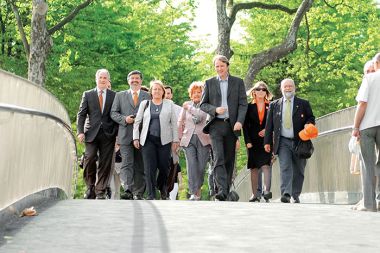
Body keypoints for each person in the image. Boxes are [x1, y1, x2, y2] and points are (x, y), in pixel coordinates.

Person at [200, 55, 248, 201]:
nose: (219, 69)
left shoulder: (238, 82)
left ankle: (225, 190)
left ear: (227, 66)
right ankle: (221, 190)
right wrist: (215, 110)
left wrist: (239, 121)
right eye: (217, 66)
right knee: (218, 157)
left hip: (231, 126)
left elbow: (243, 104)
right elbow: (203, 104)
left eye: (222, 66)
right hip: (215, 126)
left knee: (229, 159)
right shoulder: (209, 83)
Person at [264, 78, 315, 203]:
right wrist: (267, 142)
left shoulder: (303, 103)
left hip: (300, 141)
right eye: (285, 86)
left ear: (294, 88)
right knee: (285, 167)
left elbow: (311, 117)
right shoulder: (274, 105)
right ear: (281, 89)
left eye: (290, 86)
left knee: (299, 169)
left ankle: (295, 194)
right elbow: (269, 125)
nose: (288, 88)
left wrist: (308, 124)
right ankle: (286, 193)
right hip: (283, 142)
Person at [133, 80, 179, 200]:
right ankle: (151, 195)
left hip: (165, 141)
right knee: (149, 168)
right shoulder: (145, 104)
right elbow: (137, 122)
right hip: (148, 140)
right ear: (151, 92)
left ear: (163, 92)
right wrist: (136, 137)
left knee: (164, 167)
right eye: (154, 89)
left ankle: (162, 187)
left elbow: (174, 123)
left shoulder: (169, 104)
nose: (157, 91)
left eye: (159, 89)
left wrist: (175, 140)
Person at [77, 68, 118, 199]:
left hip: (108, 133)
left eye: (105, 78)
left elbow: (116, 115)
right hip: (91, 133)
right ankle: (90, 187)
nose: (102, 80)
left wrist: (117, 135)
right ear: (96, 79)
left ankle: (100, 191)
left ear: (108, 80)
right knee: (89, 158)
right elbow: (81, 114)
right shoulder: (88, 94)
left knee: (105, 163)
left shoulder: (114, 95)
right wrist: (80, 132)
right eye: (100, 77)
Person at [111, 70, 150, 200]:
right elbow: (113, 113)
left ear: (141, 81)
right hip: (125, 134)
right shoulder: (120, 95)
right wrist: (124, 119)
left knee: (140, 165)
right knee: (127, 163)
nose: (135, 80)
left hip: (142, 136)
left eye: (137, 78)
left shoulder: (147, 96)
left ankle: (138, 192)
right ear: (128, 81)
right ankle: (127, 189)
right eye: (132, 78)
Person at [352, 53, 380, 212]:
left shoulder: (369, 79)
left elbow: (362, 104)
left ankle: (369, 204)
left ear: (375, 63)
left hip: (368, 126)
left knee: (367, 164)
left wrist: (355, 127)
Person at [178, 82, 211, 200]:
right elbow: (180, 122)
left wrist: (189, 108)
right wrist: (179, 138)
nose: (196, 94)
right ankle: (194, 193)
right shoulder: (186, 105)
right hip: (188, 140)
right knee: (191, 165)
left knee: (201, 167)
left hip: (204, 139)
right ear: (190, 95)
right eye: (194, 92)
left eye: (199, 92)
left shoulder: (206, 105)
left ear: (203, 93)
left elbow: (201, 116)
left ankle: (198, 189)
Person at [243, 81, 273, 202]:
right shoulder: (249, 107)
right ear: (253, 92)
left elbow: (275, 122)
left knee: (266, 165)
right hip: (252, 140)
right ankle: (254, 194)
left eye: (263, 89)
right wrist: (247, 141)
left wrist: (267, 130)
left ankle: (266, 192)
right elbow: (245, 125)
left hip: (266, 140)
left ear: (266, 92)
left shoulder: (271, 105)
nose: (261, 91)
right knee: (254, 167)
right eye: (258, 89)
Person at [163, 85, 183, 200]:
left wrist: (179, 141)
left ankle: (172, 195)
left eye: (169, 93)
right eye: (164, 93)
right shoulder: (156, 107)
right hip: (161, 143)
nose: (167, 95)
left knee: (174, 167)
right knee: (162, 167)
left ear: (172, 95)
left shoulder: (179, 109)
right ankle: (163, 191)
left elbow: (182, 126)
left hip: (174, 143)